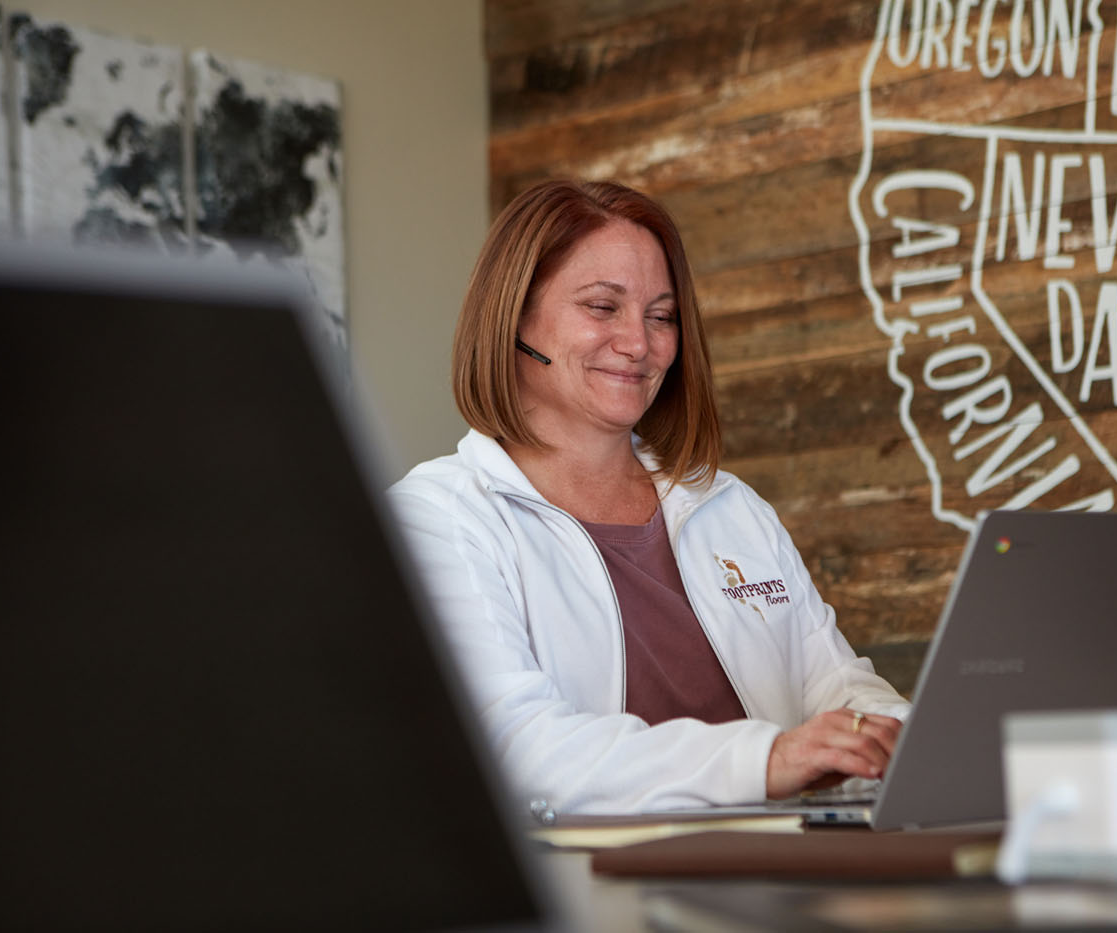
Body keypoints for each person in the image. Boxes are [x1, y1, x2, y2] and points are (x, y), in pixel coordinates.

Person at [389, 179, 909, 815]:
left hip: (785, 864)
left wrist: (903, 735)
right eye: (602, 307)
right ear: (515, 316)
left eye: (661, 317)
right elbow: (512, 745)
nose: (639, 344)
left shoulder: (731, 507)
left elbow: (835, 686)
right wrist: (766, 759)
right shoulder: (436, 517)